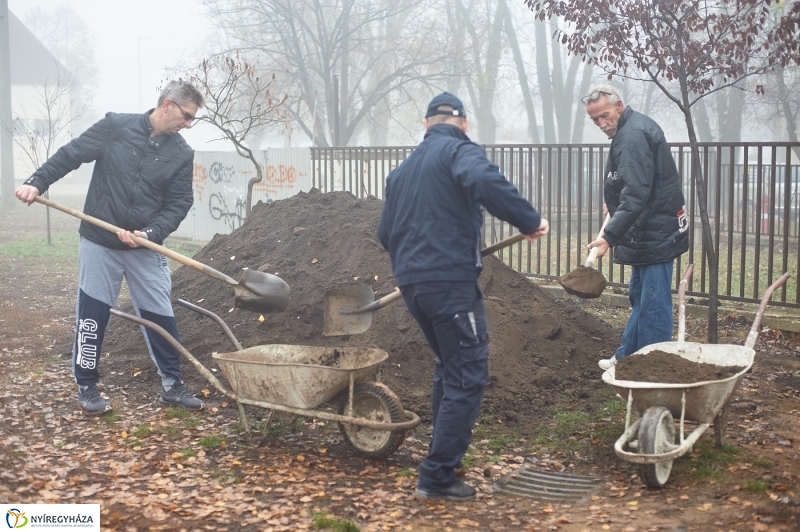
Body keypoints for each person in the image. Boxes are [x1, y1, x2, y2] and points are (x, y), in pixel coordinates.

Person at [377, 92, 549, 501]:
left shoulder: (401, 172)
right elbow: (485, 181)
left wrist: (415, 262)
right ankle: (437, 476)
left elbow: (384, 233)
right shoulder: (457, 151)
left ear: (426, 124)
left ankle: (444, 461)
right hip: (450, 285)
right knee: (467, 374)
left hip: (414, 285)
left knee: (449, 366)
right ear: (464, 125)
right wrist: (528, 220)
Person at [15, 80, 207, 415]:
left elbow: (179, 203)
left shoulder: (181, 153)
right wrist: (37, 181)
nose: (188, 124)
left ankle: (172, 384)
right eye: (187, 116)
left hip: (145, 247)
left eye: (192, 118)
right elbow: (72, 154)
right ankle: (87, 386)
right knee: (93, 314)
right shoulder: (116, 127)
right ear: (167, 104)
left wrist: (151, 233)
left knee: (160, 314)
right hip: (99, 242)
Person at [583, 85, 689, 371]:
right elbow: (636, 183)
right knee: (641, 297)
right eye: (594, 119)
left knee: (653, 303)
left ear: (619, 106)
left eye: (604, 115)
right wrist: (615, 202)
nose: (601, 123)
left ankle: (651, 369)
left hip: (654, 231)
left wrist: (608, 237)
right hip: (648, 228)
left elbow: (637, 193)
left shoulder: (631, 137)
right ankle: (629, 356)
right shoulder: (631, 128)